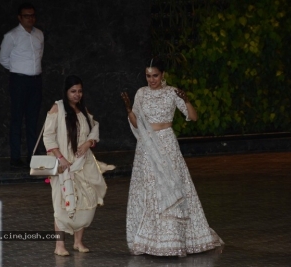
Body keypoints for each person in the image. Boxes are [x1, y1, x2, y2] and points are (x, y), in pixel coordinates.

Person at [121, 58, 224, 257]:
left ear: (163, 74)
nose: (151, 80)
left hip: (167, 143)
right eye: (148, 76)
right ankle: (151, 240)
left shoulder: (172, 92)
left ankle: (174, 240)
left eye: (155, 75)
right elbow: (135, 123)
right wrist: (128, 109)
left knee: (171, 186)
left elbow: (193, 117)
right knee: (151, 188)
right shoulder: (141, 93)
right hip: (147, 146)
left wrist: (185, 100)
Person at [43, 75, 107, 256]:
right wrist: (60, 157)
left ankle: (78, 242)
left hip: (83, 165)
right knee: (62, 203)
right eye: (73, 91)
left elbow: (93, 130)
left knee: (85, 201)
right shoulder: (58, 108)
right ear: (66, 92)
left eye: (79, 91)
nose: (77, 95)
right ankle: (59, 245)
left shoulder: (83, 110)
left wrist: (88, 144)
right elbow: (48, 136)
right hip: (63, 165)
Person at [0, 2, 44, 167]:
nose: (30, 18)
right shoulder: (11, 36)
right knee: (17, 119)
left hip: (36, 81)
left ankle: (33, 156)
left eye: (32, 15)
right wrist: (18, 70)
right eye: (26, 16)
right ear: (19, 17)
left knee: (33, 120)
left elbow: (39, 56)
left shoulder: (39, 34)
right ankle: (15, 158)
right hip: (18, 81)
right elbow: (2, 58)